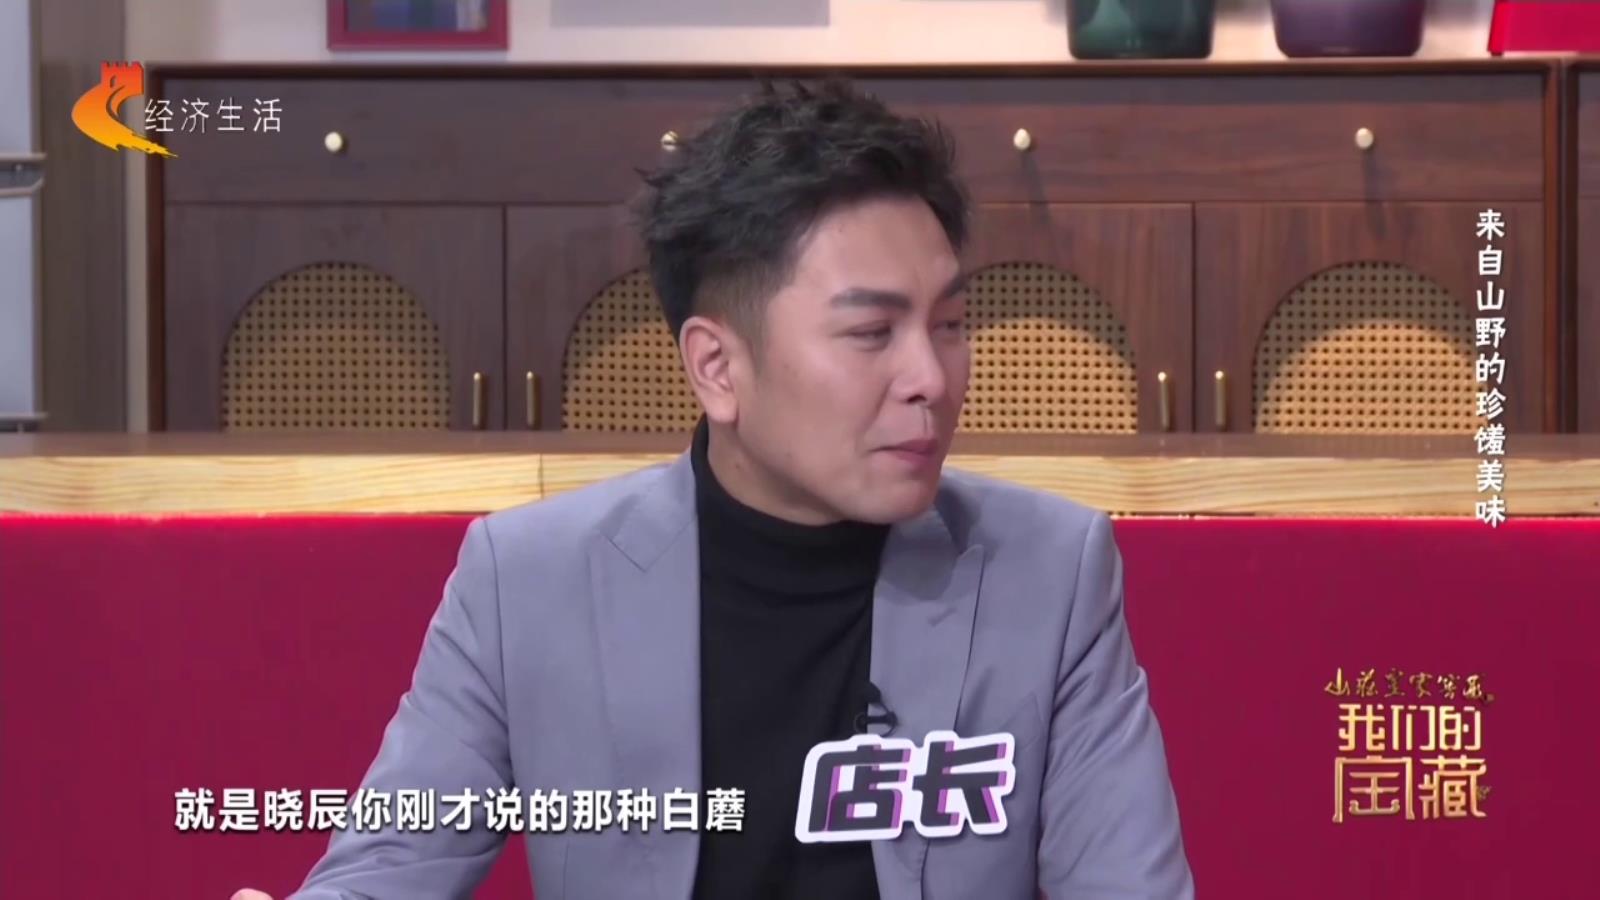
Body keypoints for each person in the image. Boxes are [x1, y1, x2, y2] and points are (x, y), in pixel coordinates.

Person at [233, 79, 1193, 900]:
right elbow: (392, 862)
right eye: (872, 333)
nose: (932, 378)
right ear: (717, 368)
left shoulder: (1051, 573)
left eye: (949, 324)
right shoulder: (525, 581)